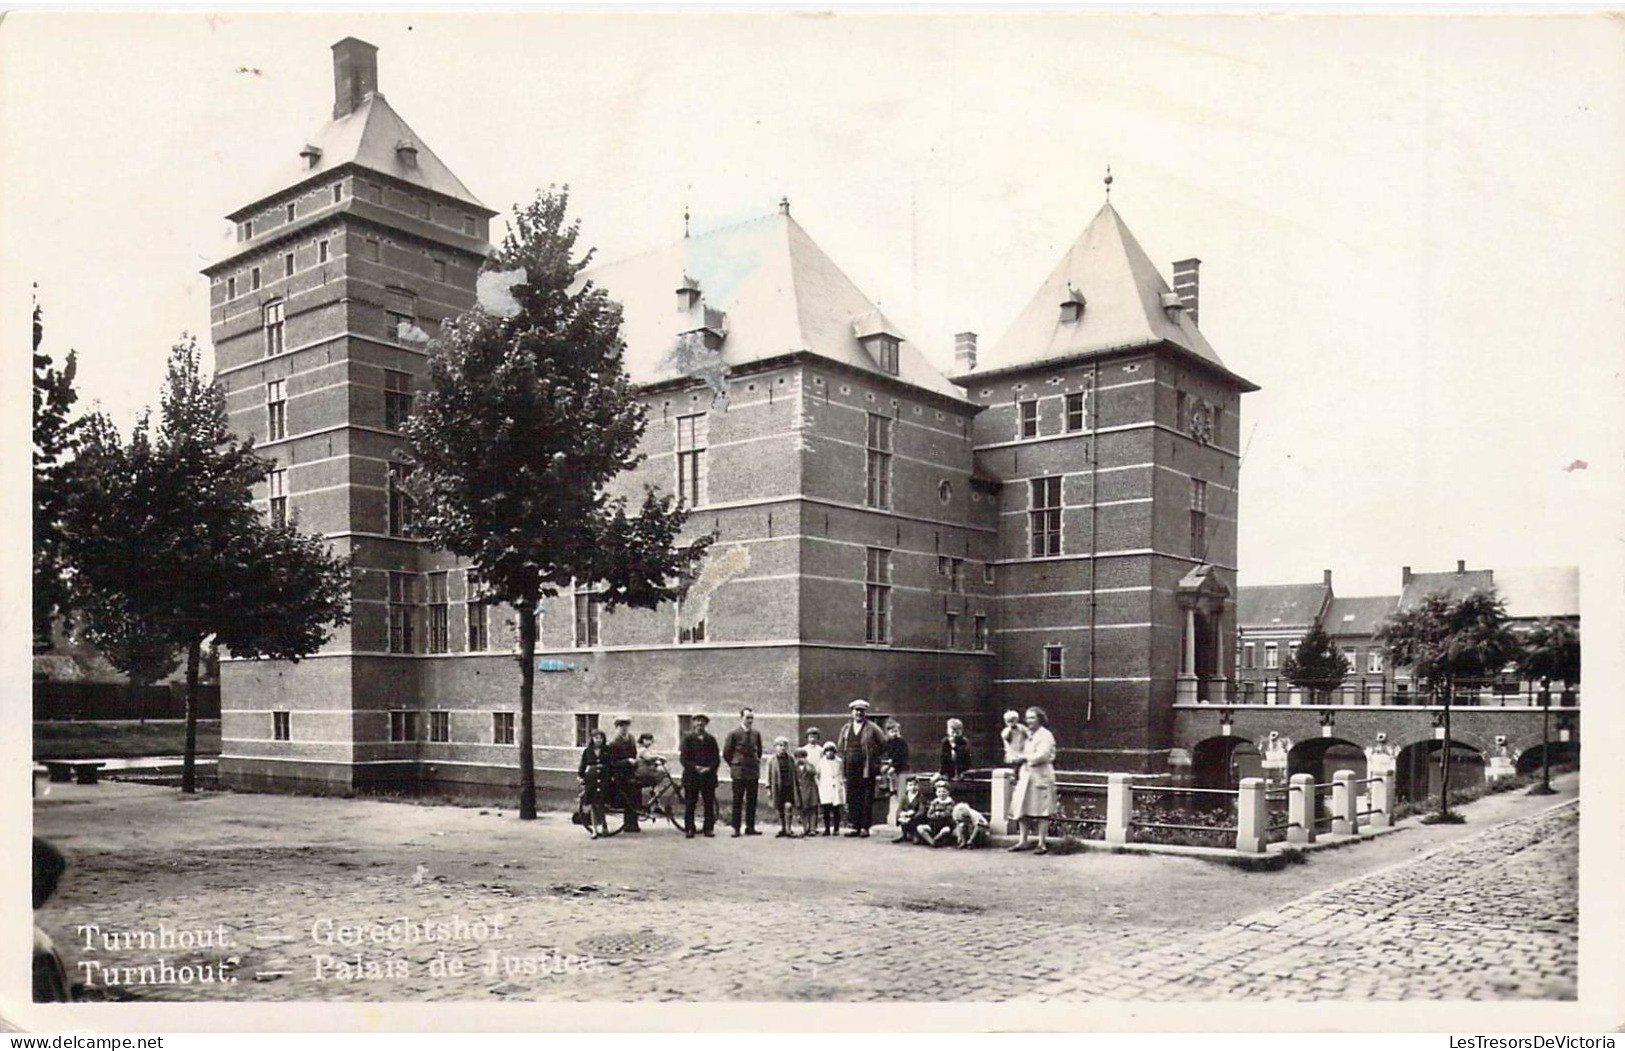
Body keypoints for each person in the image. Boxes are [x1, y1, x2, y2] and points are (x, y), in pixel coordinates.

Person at [1008, 706, 1057, 855]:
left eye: (1032, 717)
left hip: (1040, 775)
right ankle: (1023, 840)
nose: (1029, 721)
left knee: (1042, 810)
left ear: (1040, 719)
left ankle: (1042, 843)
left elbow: (1043, 755)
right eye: (1027, 718)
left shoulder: (1046, 736)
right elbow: (1017, 749)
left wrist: (1023, 757)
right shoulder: (1027, 735)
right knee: (1022, 808)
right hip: (1026, 776)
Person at [836, 698, 887, 836]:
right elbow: (840, 747)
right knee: (853, 796)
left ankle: (865, 827)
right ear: (852, 712)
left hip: (866, 767)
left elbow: (883, 744)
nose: (858, 713)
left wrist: (874, 757)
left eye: (861, 711)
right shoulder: (846, 728)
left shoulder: (872, 727)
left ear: (865, 712)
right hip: (850, 767)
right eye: (856, 710)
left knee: (866, 797)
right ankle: (854, 826)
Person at [722, 707, 764, 837]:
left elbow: (759, 751)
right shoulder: (734, 734)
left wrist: (754, 763)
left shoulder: (756, 734)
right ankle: (736, 828)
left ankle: (750, 827)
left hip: (752, 771)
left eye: (752, 718)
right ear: (741, 718)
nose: (750, 721)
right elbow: (726, 753)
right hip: (739, 772)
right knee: (737, 800)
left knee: (752, 800)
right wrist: (735, 764)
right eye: (747, 718)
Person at [679, 713, 720, 838]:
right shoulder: (688, 739)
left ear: (705, 724)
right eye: (697, 721)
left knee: (708, 803)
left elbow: (716, 759)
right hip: (692, 777)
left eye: (702, 722)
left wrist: (709, 768)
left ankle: (708, 829)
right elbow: (683, 759)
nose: (699, 724)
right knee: (690, 803)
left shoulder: (711, 740)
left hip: (708, 777)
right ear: (693, 723)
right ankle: (689, 829)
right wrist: (695, 767)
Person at [764, 736, 806, 837]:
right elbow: (768, 775)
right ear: (775, 747)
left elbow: (795, 773)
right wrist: (768, 788)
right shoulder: (771, 760)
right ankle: (782, 828)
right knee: (779, 808)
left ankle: (788, 828)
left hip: (789, 787)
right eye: (780, 745)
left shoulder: (790, 759)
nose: (782, 748)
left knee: (788, 806)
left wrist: (797, 785)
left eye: (784, 746)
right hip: (777, 787)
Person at [606, 717, 641, 833]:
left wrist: (635, 762)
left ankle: (634, 823)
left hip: (631, 772)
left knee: (636, 796)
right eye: (621, 726)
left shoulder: (631, 738)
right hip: (621, 774)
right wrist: (627, 761)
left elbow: (634, 753)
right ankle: (628, 824)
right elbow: (612, 763)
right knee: (628, 798)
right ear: (617, 728)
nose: (624, 728)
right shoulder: (614, 743)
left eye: (626, 726)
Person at [577, 728, 613, 838]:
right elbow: (583, 765)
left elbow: (611, 764)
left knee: (601, 803)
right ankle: (595, 830)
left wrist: (611, 776)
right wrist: (580, 776)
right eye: (596, 738)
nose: (598, 740)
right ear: (592, 739)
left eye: (601, 738)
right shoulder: (587, 751)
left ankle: (604, 826)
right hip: (591, 778)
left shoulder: (607, 750)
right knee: (592, 804)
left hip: (603, 778)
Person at [881, 720, 911, 825]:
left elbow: (902, 756)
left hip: (901, 768)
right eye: (892, 731)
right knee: (883, 770)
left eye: (896, 731)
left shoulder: (901, 742)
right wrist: (888, 761)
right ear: (888, 732)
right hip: (893, 765)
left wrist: (894, 764)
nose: (895, 733)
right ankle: (887, 787)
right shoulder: (888, 743)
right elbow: (888, 754)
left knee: (901, 794)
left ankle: (900, 818)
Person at [815, 742, 846, 835]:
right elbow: (816, 775)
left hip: (836, 786)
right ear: (824, 752)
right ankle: (827, 829)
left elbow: (842, 773)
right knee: (826, 809)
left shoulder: (839, 762)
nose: (829, 753)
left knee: (836, 810)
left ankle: (836, 829)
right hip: (826, 787)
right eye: (827, 751)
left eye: (831, 750)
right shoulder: (821, 762)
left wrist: (841, 783)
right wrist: (819, 785)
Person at [917, 779, 959, 847]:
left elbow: (948, 813)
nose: (942, 794)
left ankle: (937, 838)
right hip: (934, 824)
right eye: (939, 792)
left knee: (945, 830)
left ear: (948, 792)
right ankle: (932, 842)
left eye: (944, 792)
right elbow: (929, 814)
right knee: (920, 828)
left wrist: (938, 814)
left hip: (946, 823)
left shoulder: (950, 802)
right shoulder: (934, 802)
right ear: (936, 793)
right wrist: (936, 814)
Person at [793, 748, 821, 837]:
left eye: (802, 757)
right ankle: (806, 828)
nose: (800, 759)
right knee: (803, 810)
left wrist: (806, 763)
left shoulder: (809, 765)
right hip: (800, 791)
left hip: (810, 789)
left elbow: (813, 772)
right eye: (798, 757)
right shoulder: (794, 768)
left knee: (812, 809)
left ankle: (813, 828)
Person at [894, 776, 929, 844]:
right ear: (907, 787)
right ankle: (904, 834)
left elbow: (922, 810)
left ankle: (916, 835)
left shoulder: (921, 797)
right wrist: (901, 814)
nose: (913, 787)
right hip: (906, 816)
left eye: (915, 785)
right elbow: (899, 808)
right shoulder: (905, 797)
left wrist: (912, 816)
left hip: (916, 818)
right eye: (910, 785)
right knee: (901, 818)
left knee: (917, 820)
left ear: (918, 786)